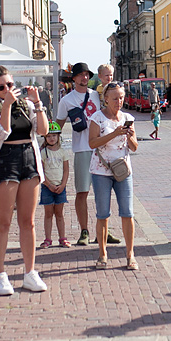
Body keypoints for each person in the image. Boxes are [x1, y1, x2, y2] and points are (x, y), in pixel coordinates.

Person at [0, 64, 49, 295]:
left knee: (28, 221)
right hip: (5, 161)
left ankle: (30, 272)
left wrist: (38, 103)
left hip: (28, 158)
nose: (7, 89)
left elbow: (43, 131)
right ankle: (0, 274)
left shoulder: (27, 104)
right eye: (1, 87)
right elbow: (2, 132)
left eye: (10, 85)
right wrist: (7, 105)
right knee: (3, 221)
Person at [56, 62, 120, 246]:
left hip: (101, 148)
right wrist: (51, 143)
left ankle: (104, 232)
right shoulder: (66, 100)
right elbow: (58, 126)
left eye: (86, 75)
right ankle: (84, 231)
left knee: (104, 192)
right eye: (81, 75)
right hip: (82, 149)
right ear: (74, 78)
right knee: (82, 191)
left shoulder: (97, 95)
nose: (84, 78)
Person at [87, 82, 139, 269]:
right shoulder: (97, 118)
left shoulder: (127, 117)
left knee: (128, 212)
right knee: (103, 214)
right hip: (101, 171)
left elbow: (134, 147)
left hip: (123, 170)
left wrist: (130, 136)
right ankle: (102, 254)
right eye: (115, 98)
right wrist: (114, 134)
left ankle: (130, 255)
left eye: (121, 97)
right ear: (106, 99)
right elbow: (92, 143)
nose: (119, 101)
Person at [38, 123, 71, 249]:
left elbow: (66, 170)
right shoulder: (43, 153)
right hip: (48, 187)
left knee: (59, 213)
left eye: (54, 136)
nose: (52, 138)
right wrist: (48, 184)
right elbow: (40, 171)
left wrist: (63, 185)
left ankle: (63, 238)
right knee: (48, 213)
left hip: (60, 187)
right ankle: (48, 239)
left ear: (58, 136)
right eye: (49, 136)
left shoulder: (63, 152)